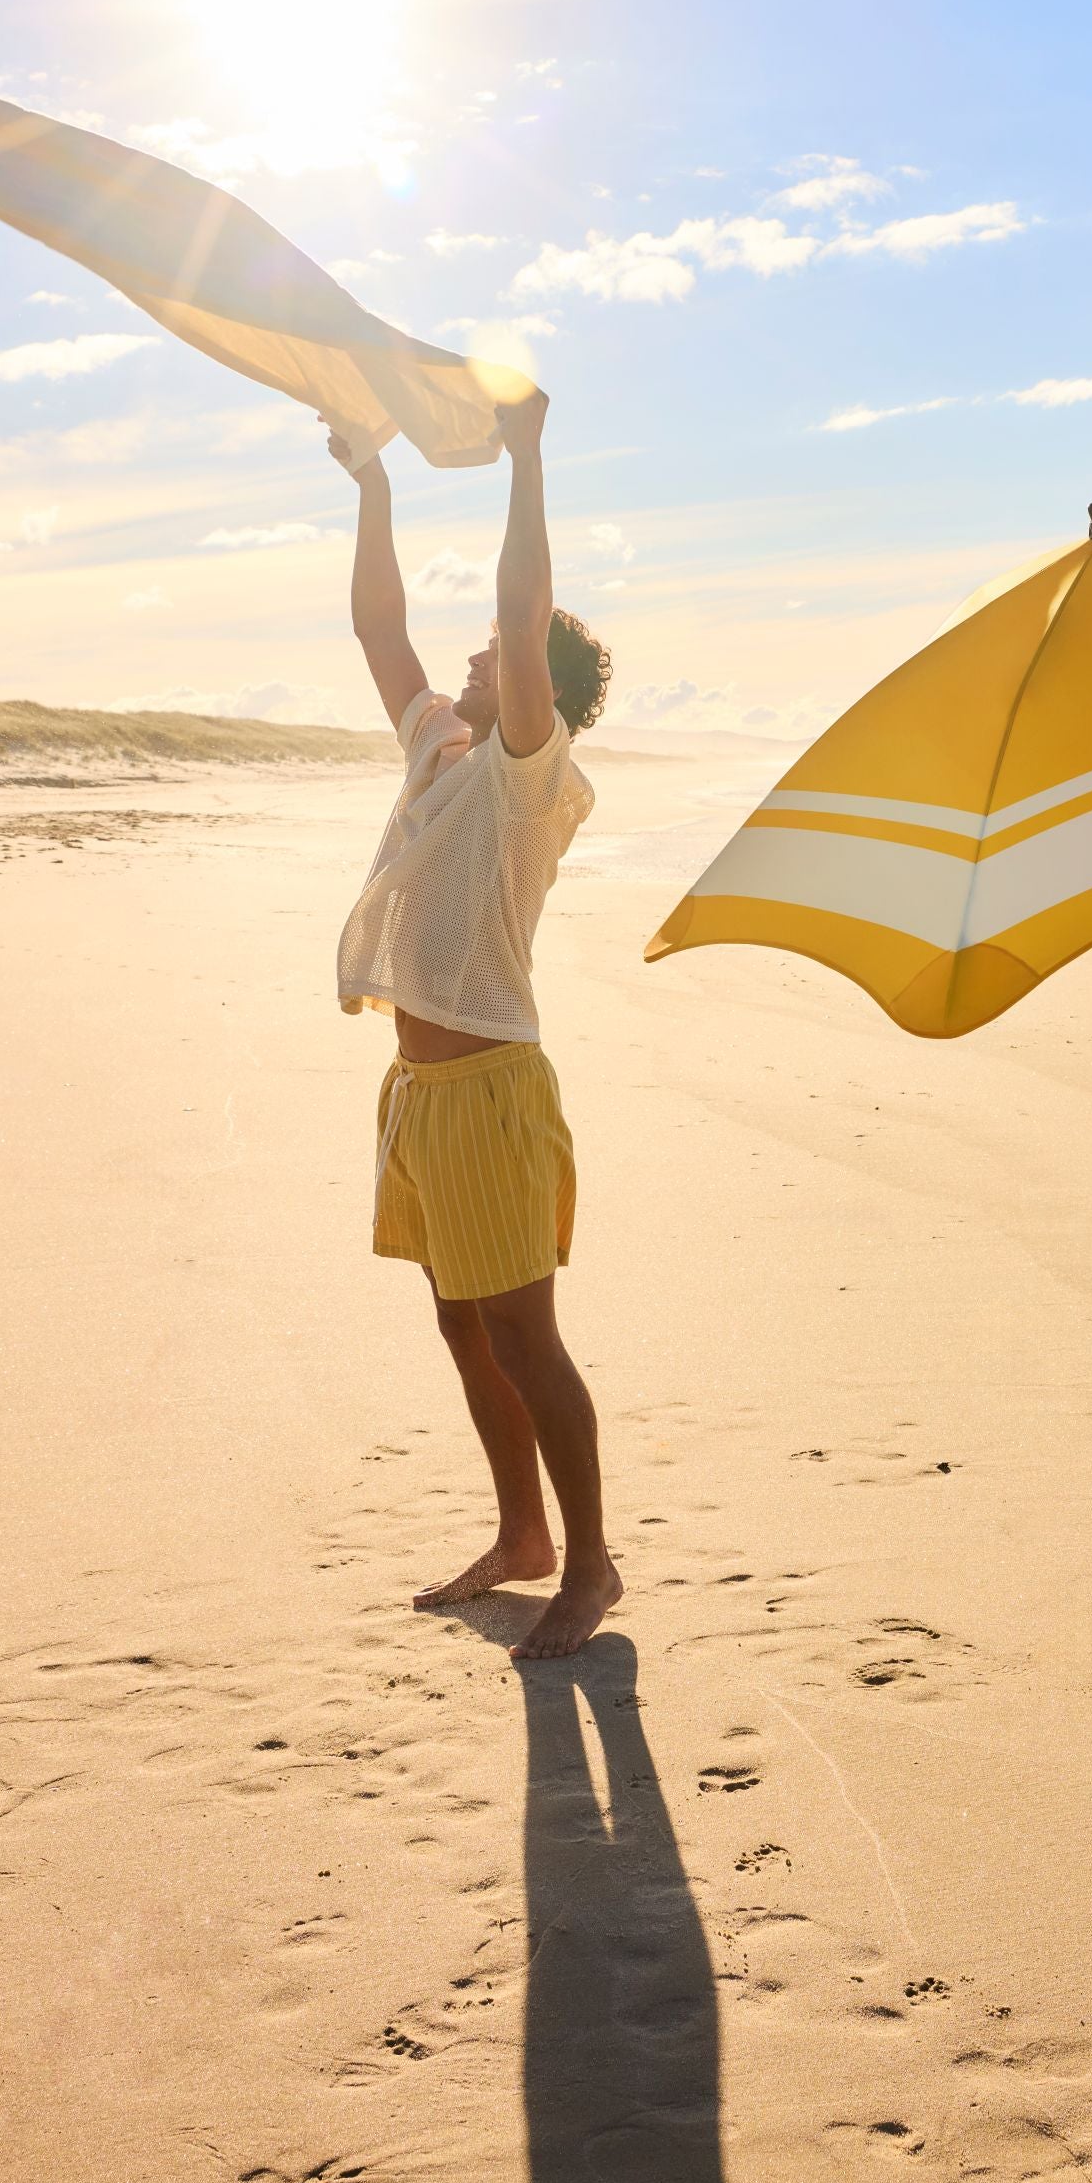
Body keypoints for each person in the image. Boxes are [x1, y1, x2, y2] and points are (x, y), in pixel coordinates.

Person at [330, 392, 622, 1657]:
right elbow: (377, 625)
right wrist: (371, 482)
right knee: (462, 1321)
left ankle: (593, 1563)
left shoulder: (527, 774)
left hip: (494, 1087)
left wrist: (528, 457)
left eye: (502, 659)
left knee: (525, 1333)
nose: (470, 658)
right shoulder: (441, 753)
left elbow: (518, 615)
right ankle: (523, 1536)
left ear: (533, 691)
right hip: (419, 1091)